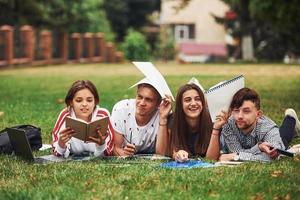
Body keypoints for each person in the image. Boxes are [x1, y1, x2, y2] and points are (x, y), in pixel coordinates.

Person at [217, 87, 300, 162]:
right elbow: (235, 151)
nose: (239, 116)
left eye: (246, 111)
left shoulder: (268, 128)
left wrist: (236, 156)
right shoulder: (228, 123)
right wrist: (259, 147)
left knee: (283, 140)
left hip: (276, 138)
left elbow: (271, 157)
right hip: (258, 145)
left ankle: (291, 118)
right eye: (236, 110)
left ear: (258, 114)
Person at [157, 83, 226, 162]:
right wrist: (163, 118)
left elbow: (211, 159)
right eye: (187, 100)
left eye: (197, 99)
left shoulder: (212, 119)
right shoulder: (174, 119)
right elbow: (161, 153)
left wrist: (216, 128)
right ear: (180, 105)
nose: (193, 103)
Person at [51, 80, 114, 158]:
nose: (84, 104)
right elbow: (57, 153)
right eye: (78, 100)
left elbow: (110, 151)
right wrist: (61, 143)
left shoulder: (102, 115)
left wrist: (101, 145)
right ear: (71, 102)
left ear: (95, 101)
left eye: (89, 100)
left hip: (97, 153)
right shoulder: (66, 114)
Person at [111, 81, 172, 156]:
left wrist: (163, 118)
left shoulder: (163, 113)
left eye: (148, 99)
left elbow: (161, 154)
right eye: (139, 97)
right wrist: (124, 154)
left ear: (158, 103)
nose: (142, 103)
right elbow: (117, 148)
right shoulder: (121, 109)